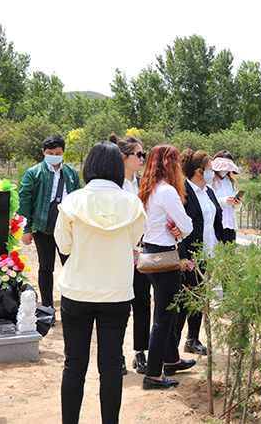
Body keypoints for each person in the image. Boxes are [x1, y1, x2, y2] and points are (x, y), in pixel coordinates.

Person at [55, 141, 146, 424]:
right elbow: (134, 242)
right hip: (117, 292)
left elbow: (64, 245)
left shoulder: (73, 201)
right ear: (117, 167)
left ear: (89, 166)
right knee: (109, 366)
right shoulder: (132, 202)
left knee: (74, 365)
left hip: (78, 291)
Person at [138, 144, 195, 389]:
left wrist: (175, 230)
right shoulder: (167, 191)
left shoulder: (147, 190)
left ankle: (171, 360)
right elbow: (187, 225)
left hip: (150, 255)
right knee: (163, 318)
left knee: (166, 314)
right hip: (165, 261)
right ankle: (153, 374)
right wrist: (180, 231)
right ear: (170, 164)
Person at [19, 134, 81, 309]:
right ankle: (47, 308)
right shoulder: (33, 173)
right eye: (51, 152)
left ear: (63, 152)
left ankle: (71, 305)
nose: (55, 155)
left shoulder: (71, 173)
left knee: (70, 266)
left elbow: (78, 199)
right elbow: (25, 201)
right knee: (46, 268)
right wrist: (26, 228)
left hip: (67, 228)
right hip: (42, 227)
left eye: (58, 152)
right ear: (44, 152)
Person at [109, 134, 150, 375]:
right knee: (120, 304)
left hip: (143, 251)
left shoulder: (143, 183)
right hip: (120, 252)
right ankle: (117, 354)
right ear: (123, 157)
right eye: (139, 154)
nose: (142, 159)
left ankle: (140, 352)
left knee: (143, 301)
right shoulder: (113, 186)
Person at [177, 149, 224, 356]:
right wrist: (183, 256)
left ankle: (192, 339)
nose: (212, 173)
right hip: (189, 255)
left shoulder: (209, 192)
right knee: (185, 300)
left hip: (207, 253)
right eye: (209, 169)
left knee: (199, 298)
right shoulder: (183, 192)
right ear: (198, 171)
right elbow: (177, 227)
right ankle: (171, 348)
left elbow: (216, 222)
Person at [211, 150, 241, 243]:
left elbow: (238, 206)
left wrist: (237, 203)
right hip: (215, 224)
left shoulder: (231, 182)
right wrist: (224, 201)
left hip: (230, 224)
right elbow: (208, 199)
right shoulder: (210, 181)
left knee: (229, 254)